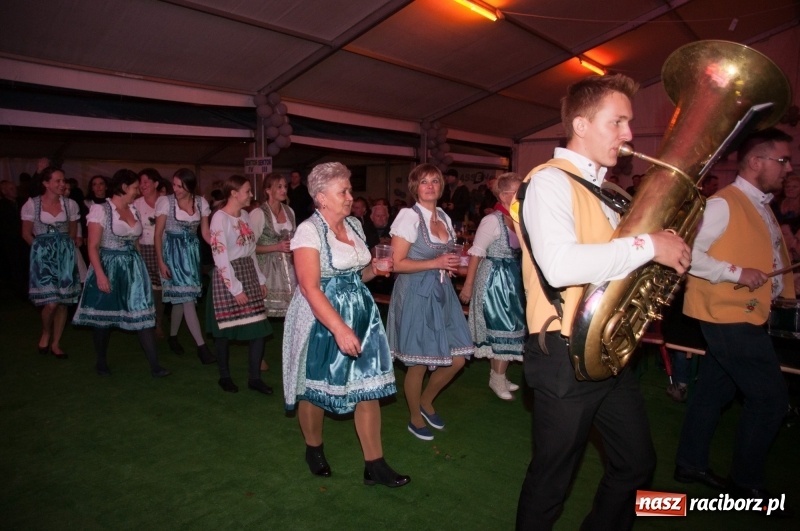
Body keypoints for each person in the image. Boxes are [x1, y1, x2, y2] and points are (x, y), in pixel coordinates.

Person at [515, 74, 690, 530]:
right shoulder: (549, 182)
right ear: (581, 124)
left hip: (610, 351)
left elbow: (620, 264)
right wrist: (649, 246)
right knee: (552, 481)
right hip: (562, 352)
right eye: (618, 122)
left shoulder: (612, 193)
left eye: (627, 123)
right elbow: (559, 265)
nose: (629, 135)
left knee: (636, 464)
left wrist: (667, 254)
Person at [675, 128, 795, 506]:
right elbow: (687, 252)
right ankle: (746, 481)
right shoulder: (724, 203)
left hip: (744, 313)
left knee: (713, 392)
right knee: (771, 401)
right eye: (783, 160)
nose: (788, 168)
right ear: (756, 161)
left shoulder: (760, 204)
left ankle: (690, 464)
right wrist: (736, 272)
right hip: (728, 314)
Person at [283, 162, 409, 487]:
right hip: (321, 316)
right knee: (313, 389)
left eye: (350, 190)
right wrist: (338, 328)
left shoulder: (353, 224)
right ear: (321, 197)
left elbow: (357, 273)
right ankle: (313, 448)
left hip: (361, 312)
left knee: (369, 386)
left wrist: (376, 270)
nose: (350, 197)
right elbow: (310, 286)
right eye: (344, 191)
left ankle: (375, 465)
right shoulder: (307, 231)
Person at [387, 163, 473, 441]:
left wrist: (449, 265)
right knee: (418, 363)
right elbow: (397, 264)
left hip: (441, 290)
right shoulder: (407, 217)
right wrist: (436, 261)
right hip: (415, 293)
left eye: (435, 181)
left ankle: (426, 400)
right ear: (415, 187)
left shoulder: (445, 217)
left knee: (459, 358)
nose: (430, 186)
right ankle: (414, 416)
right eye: (424, 181)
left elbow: (447, 255)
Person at [72, 169, 170, 377]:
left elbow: (135, 242)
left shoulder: (133, 209)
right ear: (124, 187)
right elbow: (93, 246)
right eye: (135, 187)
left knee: (143, 314)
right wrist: (99, 274)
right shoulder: (101, 210)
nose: (137, 191)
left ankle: (155, 365)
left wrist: (140, 266)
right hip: (108, 265)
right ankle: (101, 361)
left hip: (133, 267)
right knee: (103, 318)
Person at [459, 172, 526, 400]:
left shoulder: (516, 218)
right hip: (494, 281)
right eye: (518, 192)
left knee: (513, 327)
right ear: (505, 195)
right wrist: (468, 286)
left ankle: (500, 375)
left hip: (511, 279)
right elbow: (476, 254)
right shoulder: (492, 220)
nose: (522, 196)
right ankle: (496, 379)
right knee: (503, 327)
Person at [206, 175, 273, 394]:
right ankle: (224, 376)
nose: (251, 195)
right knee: (225, 330)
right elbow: (220, 256)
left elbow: (250, 250)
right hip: (229, 276)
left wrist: (260, 278)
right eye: (247, 191)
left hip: (248, 272)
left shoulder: (244, 215)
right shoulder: (219, 218)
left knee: (259, 329)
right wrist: (234, 288)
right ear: (234, 194)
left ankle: (254, 378)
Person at [154, 168, 215, 364]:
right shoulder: (166, 202)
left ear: (190, 186)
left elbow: (205, 233)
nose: (176, 189)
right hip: (172, 253)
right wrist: (161, 261)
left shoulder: (201, 202)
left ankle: (173, 337)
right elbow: (158, 234)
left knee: (182, 298)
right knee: (187, 299)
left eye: (180, 186)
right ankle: (202, 347)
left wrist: (219, 245)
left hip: (191, 254)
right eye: (174, 185)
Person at [21, 167, 81, 359]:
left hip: (64, 255)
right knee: (52, 302)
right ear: (46, 183)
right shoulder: (32, 204)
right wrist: (39, 251)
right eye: (57, 181)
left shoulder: (70, 205)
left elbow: (72, 232)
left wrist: (67, 251)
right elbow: (26, 232)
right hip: (43, 257)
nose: (62, 184)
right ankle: (46, 332)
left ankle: (56, 343)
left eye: (63, 180)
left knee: (63, 302)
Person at [250, 172, 298, 318]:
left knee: (292, 314)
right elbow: (249, 248)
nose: (284, 190)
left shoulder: (289, 211)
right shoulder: (258, 213)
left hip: (289, 267)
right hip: (267, 268)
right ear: (268, 190)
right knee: (261, 316)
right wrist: (276, 247)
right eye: (279, 187)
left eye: (285, 186)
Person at [133, 169, 166, 337]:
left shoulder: (165, 202)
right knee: (148, 288)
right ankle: (148, 321)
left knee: (161, 289)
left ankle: (158, 321)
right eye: (141, 182)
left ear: (156, 184)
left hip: (163, 249)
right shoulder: (137, 204)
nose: (142, 185)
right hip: (144, 249)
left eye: (146, 182)